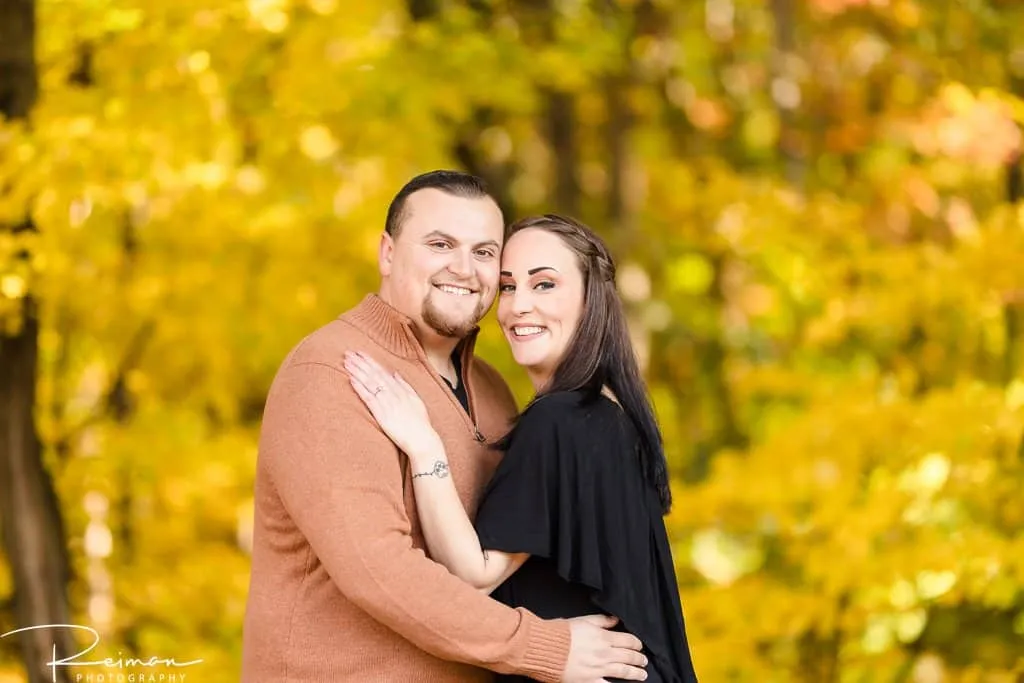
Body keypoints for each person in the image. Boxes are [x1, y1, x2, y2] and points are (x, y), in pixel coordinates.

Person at [241, 172, 649, 682]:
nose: (464, 268)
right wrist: (545, 647)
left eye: (483, 253)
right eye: (440, 244)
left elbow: (500, 562)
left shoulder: (495, 390)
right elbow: (379, 571)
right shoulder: (332, 372)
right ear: (388, 253)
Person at [344, 214, 700, 683]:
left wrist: (424, 445)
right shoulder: (609, 416)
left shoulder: (562, 420)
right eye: (508, 287)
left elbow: (474, 575)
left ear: (592, 299)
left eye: (544, 285)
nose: (518, 307)